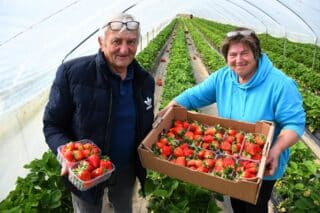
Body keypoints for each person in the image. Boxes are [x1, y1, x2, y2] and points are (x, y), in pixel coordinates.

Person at [159, 27, 305, 213]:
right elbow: (192, 96)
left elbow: (295, 123)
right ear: (226, 57)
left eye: (244, 53)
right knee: (236, 202)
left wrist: (276, 150)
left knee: (255, 206)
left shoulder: (280, 85)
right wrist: (167, 110)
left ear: (256, 53)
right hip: (231, 157)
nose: (238, 60)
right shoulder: (224, 77)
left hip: (263, 165)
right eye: (232, 54)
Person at [43, 13, 155, 213]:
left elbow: (144, 125)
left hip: (126, 168)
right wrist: (67, 154)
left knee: (124, 208)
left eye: (131, 42)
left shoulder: (145, 81)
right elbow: (52, 124)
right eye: (116, 42)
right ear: (101, 42)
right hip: (85, 170)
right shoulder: (72, 73)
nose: (124, 49)